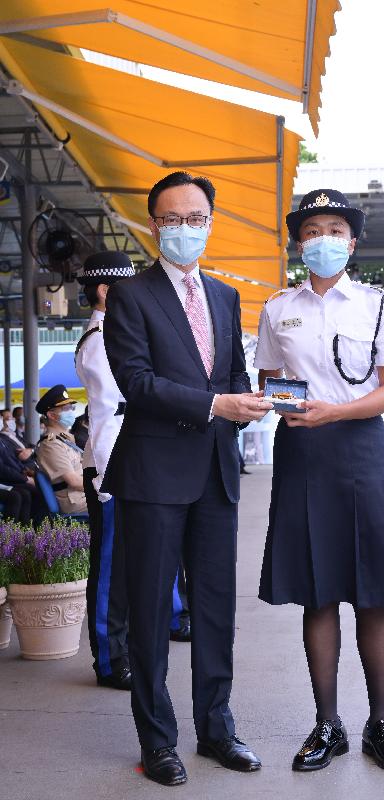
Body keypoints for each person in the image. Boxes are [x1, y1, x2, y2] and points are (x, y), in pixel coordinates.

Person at [102, 171, 271, 786]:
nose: (184, 229)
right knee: (149, 614)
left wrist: (246, 401)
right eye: (172, 219)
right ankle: (157, 741)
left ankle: (217, 730)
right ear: (153, 225)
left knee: (215, 610)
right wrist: (214, 407)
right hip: (152, 475)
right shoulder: (131, 296)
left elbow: (229, 374)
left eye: (195, 218)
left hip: (215, 474)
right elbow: (138, 383)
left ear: (210, 221)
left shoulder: (226, 296)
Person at [255, 188, 384, 774]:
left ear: (352, 241)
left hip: (362, 449)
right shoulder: (277, 308)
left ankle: (381, 723)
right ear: (299, 242)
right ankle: (328, 724)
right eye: (312, 229)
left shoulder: (378, 307)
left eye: (335, 229)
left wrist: (334, 411)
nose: (323, 239)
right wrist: (290, 407)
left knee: (373, 593)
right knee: (317, 591)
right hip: (302, 451)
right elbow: (270, 376)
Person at [75, 252, 136, 691]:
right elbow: (111, 412)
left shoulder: (114, 333)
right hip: (109, 463)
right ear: (104, 291)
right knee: (111, 566)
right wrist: (106, 483)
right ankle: (109, 659)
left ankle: (121, 649)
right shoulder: (100, 339)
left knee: (124, 565)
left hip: (121, 459)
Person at [35, 386, 87, 515]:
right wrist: (102, 486)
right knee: (122, 501)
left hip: (83, 494)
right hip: (75, 500)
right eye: (66, 409)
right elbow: (74, 481)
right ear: (51, 415)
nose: (71, 412)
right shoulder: (50, 445)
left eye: (71, 408)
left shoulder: (64, 439)